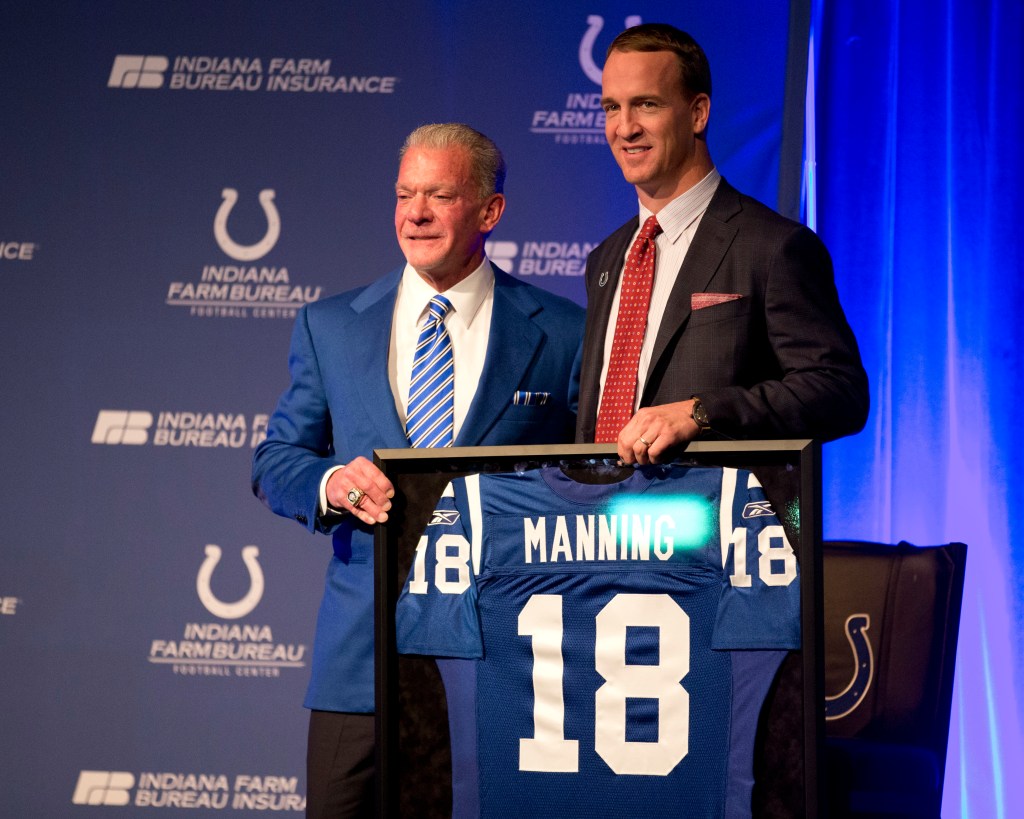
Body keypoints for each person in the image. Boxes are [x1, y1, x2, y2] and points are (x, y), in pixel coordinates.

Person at [252, 123, 584, 819]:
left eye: (439, 194)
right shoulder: (331, 324)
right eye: (405, 194)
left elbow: (592, 483)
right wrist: (332, 483)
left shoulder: (563, 332)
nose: (416, 213)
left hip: (512, 668)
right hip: (360, 666)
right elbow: (277, 459)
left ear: (490, 212)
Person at [576, 23, 869, 460]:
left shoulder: (774, 247)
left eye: (646, 105)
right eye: (611, 108)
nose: (625, 127)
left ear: (698, 113)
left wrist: (701, 413)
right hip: (596, 519)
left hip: (717, 520)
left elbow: (837, 391)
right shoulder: (607, 258)